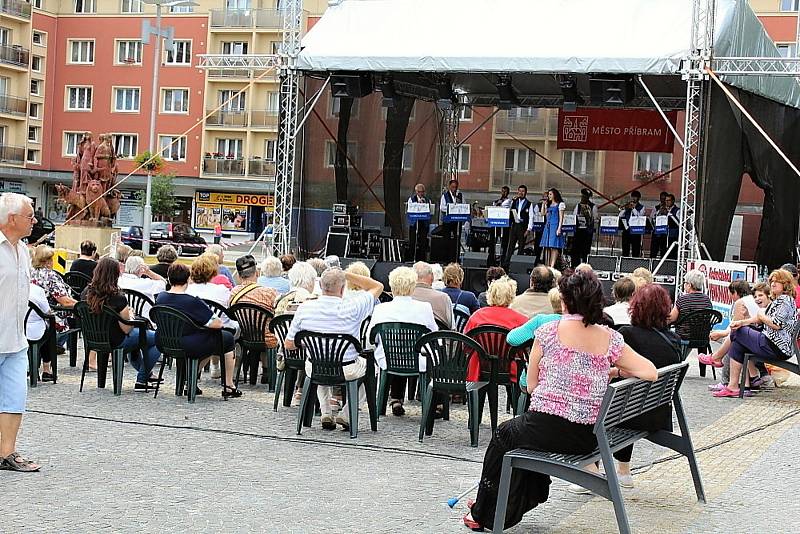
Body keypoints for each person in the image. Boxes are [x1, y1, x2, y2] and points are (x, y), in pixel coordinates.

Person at [464, 270, 658, 530]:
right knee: (519, 436)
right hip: (587, 436)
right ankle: (508, 503)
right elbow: (650, 372)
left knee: (504, 435)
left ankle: (483, 511)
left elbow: (531, 387)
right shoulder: (610, 338)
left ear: (565, 301)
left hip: (546, 429)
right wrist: (615, 370)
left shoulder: (548, 331)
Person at [285, 269, 383, 431]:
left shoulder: (305, 308)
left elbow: (289, 344)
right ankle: (346, 414)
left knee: (320, 358)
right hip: (347, 367)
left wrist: (311, 343)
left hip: (315, 366)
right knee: (374, 369)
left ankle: (326, 412)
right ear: (343, 288)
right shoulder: (354, 306)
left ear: (320, 285)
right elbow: (377, 286)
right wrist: (348, 274)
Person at [609, 284, 681, 488]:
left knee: (604, 400)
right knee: (628, 393)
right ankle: (623, 471)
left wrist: (616, 372)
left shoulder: (628, 335)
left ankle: (592, 470)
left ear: (636, 307)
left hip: (626, 415)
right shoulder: (673, 339)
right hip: (658, 413)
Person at [155, 263, 242, 399]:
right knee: (226, 338)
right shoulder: (191, 301)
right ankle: (228, 385)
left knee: (208, 338)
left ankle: (189, 378)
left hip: (164, 341)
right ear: (188, 279)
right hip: (189, 343)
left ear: (169, 278)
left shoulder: (161, 297)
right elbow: (217, 323)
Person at [0, 193, 40, 472]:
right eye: (30, 215)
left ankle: (7, 453)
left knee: (15, 398)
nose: (34, 220)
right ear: (12, 219)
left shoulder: (23, 249)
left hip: (16, 338)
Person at [712, 270, 797, 398]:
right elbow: (758, 318)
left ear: (786, 284)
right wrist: (742, 322)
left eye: (777, 281)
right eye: (772, 281)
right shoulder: (779, 300)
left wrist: (760, 315)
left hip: (777, 346)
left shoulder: (785, 300)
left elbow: (776, 324)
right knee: (738, 339)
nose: (773, 284)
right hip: (772, 344)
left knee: (738, 333)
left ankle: (717, 358)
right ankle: (735, 386)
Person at [83, 257, 161, 392]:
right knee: (159, 338)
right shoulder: (117, 297)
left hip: (94, 339)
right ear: (115, 275)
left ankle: (145, 375)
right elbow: (126, 328)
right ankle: (142, 379)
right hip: (117, 339)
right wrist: (130, 314)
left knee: (139, 341)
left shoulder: (86, 293)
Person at [367, 266, 438, 416]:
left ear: (391, 286)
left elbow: (371, 338)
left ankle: (392, 400)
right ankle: (431, 405)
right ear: (413, 287)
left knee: (395, 350)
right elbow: (433, 335)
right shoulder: (424, 308)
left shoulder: (381, 309)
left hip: (388, 359)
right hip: (418, 360)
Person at [700, 281, 769, 391]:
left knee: (734, 341)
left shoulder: (741, 303)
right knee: (735, 341)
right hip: (762, 339)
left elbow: (736, 328)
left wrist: (721, 334)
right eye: (756, 296)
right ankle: (748, 382)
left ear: (735, 293)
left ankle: (724, 375)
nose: (757, 298)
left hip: (764, 343)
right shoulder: (755, 303)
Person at [463, 276, 528, 384]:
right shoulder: (521, 320)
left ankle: (478, 400)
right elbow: (526, 348)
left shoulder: (477, 316)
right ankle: (513, 400)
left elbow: (466, 345)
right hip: (510, 368)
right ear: (511, 296)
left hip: (481, 367)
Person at [230, 255, 279, 385]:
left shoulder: (234, 293)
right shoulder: (270, 293)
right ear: (257, 273)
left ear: (239, 276)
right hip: (268, 338)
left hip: (245, 336)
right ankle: (267, 370)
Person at [30, 245, 77, 353]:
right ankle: (58, 345)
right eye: (51, 259)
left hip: (31, 317)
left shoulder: (30, 273)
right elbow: (65, 301)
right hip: (50, 318)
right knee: (78, 316)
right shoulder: (51, 276)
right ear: (46, 261)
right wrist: (83, 304)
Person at [668, 269, 712, 337]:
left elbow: (671, 319)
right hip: (702, 337)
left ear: (689, 285)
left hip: (684, 336)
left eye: (685, 282)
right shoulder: (707, 300)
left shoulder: (683, 299)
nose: (684, 285)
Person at [412, 261, 453, 327]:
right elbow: (452, 327)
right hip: (438, 336)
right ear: (432, 277)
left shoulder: (404, 297)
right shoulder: (444, 298)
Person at [502, 185, 534, 268]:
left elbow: (531, 217)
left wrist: (529, 229)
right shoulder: (514, 201)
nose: (521, 193)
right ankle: (507, 264)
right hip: (514, 225)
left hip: (523, 226)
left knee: (521, 246)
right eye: (520, 191)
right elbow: (505, 206)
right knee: (511, 245)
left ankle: (517, 264)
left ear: (525, 193)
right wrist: (512, 200)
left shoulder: (529, 204)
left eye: (523, 191)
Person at [539, 188, 566, 268]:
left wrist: (559, 228)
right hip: (548, 226)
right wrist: (544, 204)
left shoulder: (560, 204)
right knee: (547, 246)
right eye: (548, 194)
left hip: (555, 226)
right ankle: (547, 264)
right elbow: (542, 213)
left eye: (550, 194)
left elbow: (561, 218)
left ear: (555, 195)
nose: (549, 196)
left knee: (554, 246)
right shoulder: (549, 204)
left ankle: (552, 265)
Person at [572, 188, 598, 267]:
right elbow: (574, 216)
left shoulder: (593, 206)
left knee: (585, 250)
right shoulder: (578, 206)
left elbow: (595, 218)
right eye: (582, 196)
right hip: (578, 230)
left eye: (585, 197)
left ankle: (585, 265)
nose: (582, 198)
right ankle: (575, 265)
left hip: (587, 232)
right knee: (576, 249)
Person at [439, 179, 464, 263]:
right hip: (448, 221)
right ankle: (446, 259)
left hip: (457, 221)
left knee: (456, 240)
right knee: (446, 240)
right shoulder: (445, 196)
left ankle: (455, 258)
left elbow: (464, 205)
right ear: (450, 187)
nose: (454, 189)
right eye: (452, 187)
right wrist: (451, 208)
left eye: (455, 187)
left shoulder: (460, 195)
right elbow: (442, 207)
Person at [407, 183, 431, 262]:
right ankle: (411, 258)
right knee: (413, 241)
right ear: (416, 192)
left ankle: (422, 259)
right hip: (414, 223)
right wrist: (418, 204)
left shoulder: (427, 200)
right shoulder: (411, 199)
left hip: (423, 223)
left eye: (422, 192)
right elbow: (409, 209)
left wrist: (424, 204)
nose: (421, 194)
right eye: (419, 192)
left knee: (423, 242)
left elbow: (430, 210)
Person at [619, 190, 645, 257]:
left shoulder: (642, 207)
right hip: (626, 230)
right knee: (625, 250)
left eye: (635, 197)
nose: (633, 198)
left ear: (639, 198)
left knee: (635, 250)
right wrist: (625, 209)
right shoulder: (627, 206)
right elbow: (620, 215)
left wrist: (633, 208)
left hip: (636, 231)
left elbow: (639, 216)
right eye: (632, 197)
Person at [493, 186, 512, 266]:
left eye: (505, 191)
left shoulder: (509, 201)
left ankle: (503, 261)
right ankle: (494, 260)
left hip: (505, 225)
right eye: (502, 191)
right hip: (497, 224)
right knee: (495, 241)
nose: (503, 193)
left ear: (508, 192)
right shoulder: (497, 201)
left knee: (504, 243)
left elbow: (506, 207)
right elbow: (494, 206)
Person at [649, 191, 669, 258]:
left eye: (664, 199)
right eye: (661, 198)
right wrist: (659, 211)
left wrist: (666, 211)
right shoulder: (656, 207)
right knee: (654, 249)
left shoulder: (669, 208)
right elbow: (652, 217)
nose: (662, 200)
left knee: (663, 250)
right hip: (656, 231)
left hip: (665, 231)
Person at [665, 193, 680, 259]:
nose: (667, 202)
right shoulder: (663, 209)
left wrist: (669, 214)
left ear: (673, 201)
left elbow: (679, 223)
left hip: (673, 234)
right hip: (665, 234)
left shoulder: (677, 210)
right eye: (666, 200)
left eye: (669, 200)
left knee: (672, 253)